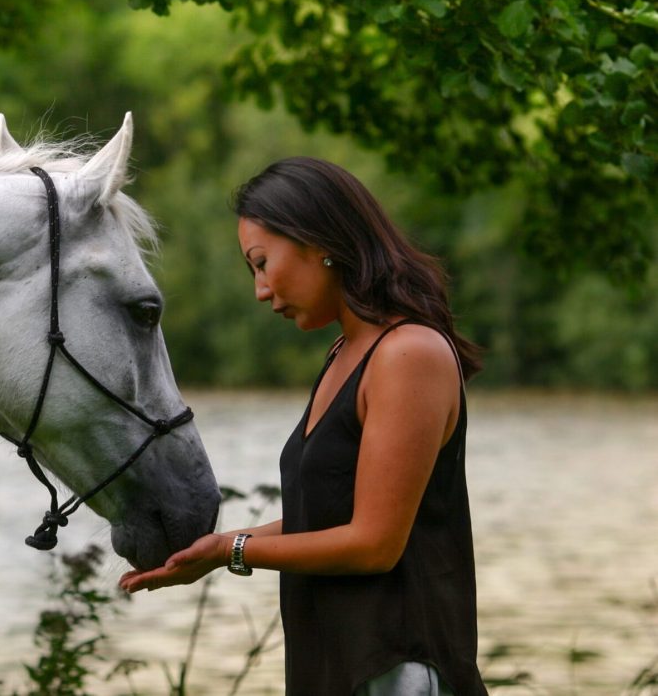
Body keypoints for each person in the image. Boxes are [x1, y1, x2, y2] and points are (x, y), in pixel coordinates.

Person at [119, 157, 488, 695]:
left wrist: (232, 552)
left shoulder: (408, 353)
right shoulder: (347, 353)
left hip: (399, 670)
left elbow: (373, 543)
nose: (261, 290)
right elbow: (327, 519)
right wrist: (220, 545)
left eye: (263, 262)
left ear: (319, 242)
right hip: (339, 671)